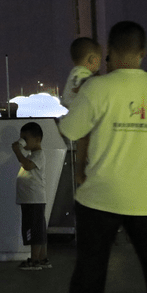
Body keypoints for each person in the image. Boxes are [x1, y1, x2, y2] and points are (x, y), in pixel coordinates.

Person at [60, 21, 147, 293]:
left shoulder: (96, 88)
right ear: (143, 52)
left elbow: (70, 129)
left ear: (111, 51)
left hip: (99, 197)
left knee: (89, 276)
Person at [62, 37, 101, 187]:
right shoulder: (81, 73)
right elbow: (85, 84)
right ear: (92, 59)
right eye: (98, 60)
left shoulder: (75, 73)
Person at [12, 122, 48, 270]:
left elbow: (27, 165)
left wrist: (17, 151)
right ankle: (42, 258)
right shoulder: (33, 155)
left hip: (33, 199)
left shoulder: (38, 155)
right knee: (38, 229)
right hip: (31, 200)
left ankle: (34, 260)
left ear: (37, 139)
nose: (23, 142)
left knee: (34, 230)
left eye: (26, 138)